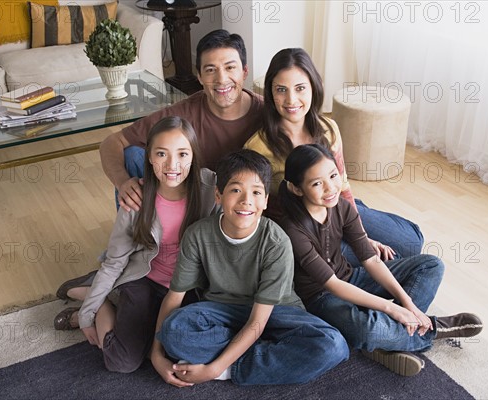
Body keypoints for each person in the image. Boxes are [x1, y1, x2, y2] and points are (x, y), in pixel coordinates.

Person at [278, 144, 483, 376]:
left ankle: (391, 340)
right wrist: (391, 309)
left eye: (333, 176)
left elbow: (371, 260)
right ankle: (434, 329)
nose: (330, 188)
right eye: (317, 183)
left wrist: (408, 305)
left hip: (351, 277)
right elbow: (332, 284)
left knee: (431, 265)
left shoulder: (342, 207)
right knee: (368, 330)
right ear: (297, 189)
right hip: (321, 298)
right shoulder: (293, 230)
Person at [150, 149, 348, 387]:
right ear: (218, 195)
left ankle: (233, 369)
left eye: (256, 192)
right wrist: (156, 353)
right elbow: (174, 298)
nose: (246, 201)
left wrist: (215, 368)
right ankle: (269, 357)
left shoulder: (277, 242)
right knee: (175, 330)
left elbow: (258, 321)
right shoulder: (198, 234)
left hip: (276, 313)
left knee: (333, 345)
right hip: (222, 311)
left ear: (265, 201)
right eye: (235, 190)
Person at [52, 116, 219, 373]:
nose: (173, 164)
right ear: (149, 158)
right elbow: (115, 260)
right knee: (122, 362)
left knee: (185, 351)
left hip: (187, 287)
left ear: (194, 157)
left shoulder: (210, 187)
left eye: (183, 154)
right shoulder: (137, 199)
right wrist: (87, 315)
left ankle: (102, 293)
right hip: (144, 279)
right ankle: (100, 300)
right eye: (162, 154)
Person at [244, 48, 423, 267]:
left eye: (300, 88)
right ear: (271, 94)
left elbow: (343, 183)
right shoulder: (257, 147)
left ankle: (364, 214)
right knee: (369, 261)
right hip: (302, 228)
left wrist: (360, 234)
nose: (291, 99)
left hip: (337, 206)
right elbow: (261, 210)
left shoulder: (329, 129)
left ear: (313, 88)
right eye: (281, 90)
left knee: (412, 244)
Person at [100, 29, 263, 213]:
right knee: (132, 156)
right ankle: (134, 234)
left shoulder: (267, 112)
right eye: (210, 70)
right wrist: (122, 181)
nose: (221, 79)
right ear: (200, 77)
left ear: (245, 71)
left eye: (230, 67)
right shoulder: (184, 112)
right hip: (195, 200)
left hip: (245, 205)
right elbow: (111, 142)